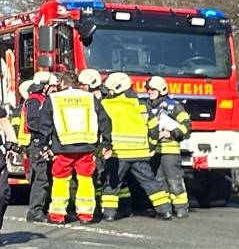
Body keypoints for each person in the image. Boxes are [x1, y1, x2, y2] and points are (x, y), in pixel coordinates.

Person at [46, 72, 111, 224]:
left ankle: (57, 215)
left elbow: (45, 124)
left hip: (63, 147)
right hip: (87, 147)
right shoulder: (89, 98)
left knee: (60, 180)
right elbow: (105, 121)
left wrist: (43, 144)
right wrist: (106, 143)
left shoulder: (54, 98)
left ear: (62, 83)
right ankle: (86, 215)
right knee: (86, 179)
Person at [100, 72, 160, 219]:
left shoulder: (106, 104)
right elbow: (154, 129)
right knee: (150, 183)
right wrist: (152, 146)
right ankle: (164, 209)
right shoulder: (142, 106)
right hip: (140, 153)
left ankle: (109, 214)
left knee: (113, 184)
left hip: (118, 154)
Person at [144, 76, 192, 217]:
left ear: (161, 90)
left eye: (153, 89)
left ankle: (181, 207)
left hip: (169, 151)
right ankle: (164, 209)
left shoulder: (174, 106)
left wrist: (170, 133)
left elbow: (186, 127)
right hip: (153, 151)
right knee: (158, 182)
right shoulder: (146, 106)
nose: (149, 92)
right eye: (148, 89)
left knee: (174, 179)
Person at [21, 72, 53, 222]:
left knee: (39, 177)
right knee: (41, 179)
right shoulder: (35, 100)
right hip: (37, 143)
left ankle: (39, 209)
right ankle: (35, 212)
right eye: (50, 86)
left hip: (38, 143)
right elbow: (32, 122)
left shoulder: (40, 99)